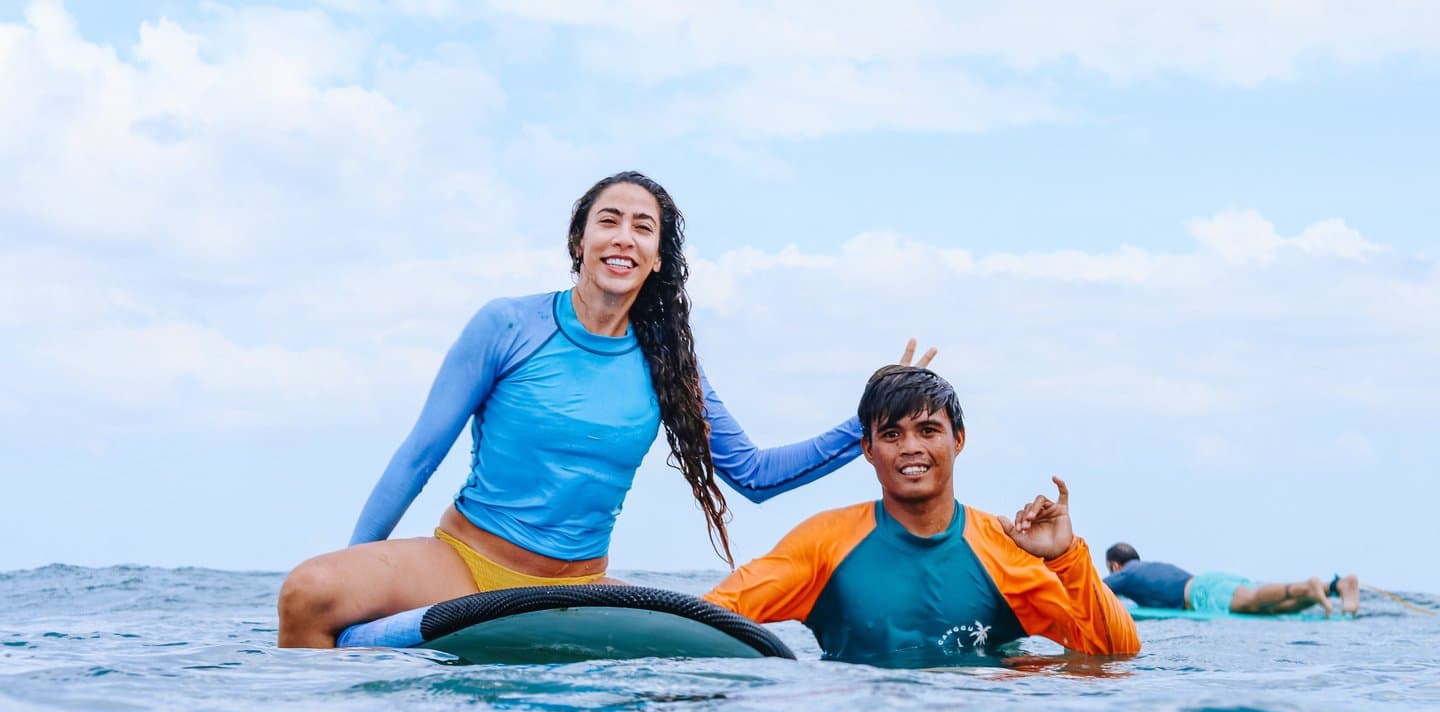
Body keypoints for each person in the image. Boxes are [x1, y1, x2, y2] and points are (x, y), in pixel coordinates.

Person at [278, 171, 931, 648]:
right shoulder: (507, 325)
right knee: (309, 592)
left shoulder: (669, 364)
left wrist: (869, 419)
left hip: (578, 588)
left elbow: (755, 476)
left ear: (656, 258)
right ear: (581, 239)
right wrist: (359, 583)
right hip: (460, 567)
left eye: (642, 227)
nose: (623, 238)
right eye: (609, 220)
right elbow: (419, 455)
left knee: (737, 666)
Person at [703, 365, 1139, 667]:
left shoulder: (1007, 549)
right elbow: (710, 618)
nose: (911, 447)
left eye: (928, 430)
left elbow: (1116, 654)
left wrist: (1065, 557)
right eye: (892, 434)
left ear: (959, 440)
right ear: (868, 451)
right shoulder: (824, 543)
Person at [1102, 543, 1360, 617]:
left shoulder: (1126, 572)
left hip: (1201, 593)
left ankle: (1307, 585)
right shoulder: (1150, 566)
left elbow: (1094, 589)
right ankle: (1335, 586)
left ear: (1114, 566)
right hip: (1211, 582)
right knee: (1272, 607)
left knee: (1253, 600)